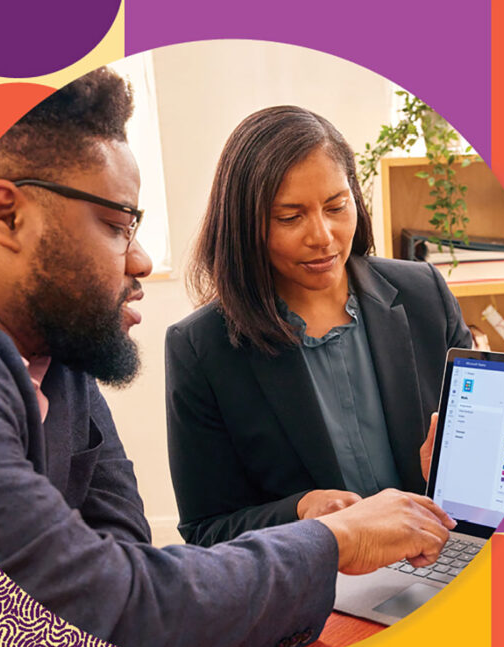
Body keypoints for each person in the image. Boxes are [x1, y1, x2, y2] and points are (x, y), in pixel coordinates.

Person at [0, 69, 456, 647]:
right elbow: (115, 593)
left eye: (336, 205)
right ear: (7, 216)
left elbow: (125, 557)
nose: (144, 262)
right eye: (117, 227)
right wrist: (332, 537)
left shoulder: (59, 357)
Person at [166, 105, 472, 548]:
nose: (323, 236)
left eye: (336, 206)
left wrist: (459, 466)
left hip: (439, 555)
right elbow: (206, 530)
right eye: (290, 217)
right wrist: (303, 511)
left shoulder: (423, 292)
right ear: (244, 224)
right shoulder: (201, 347)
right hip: (321, 587)